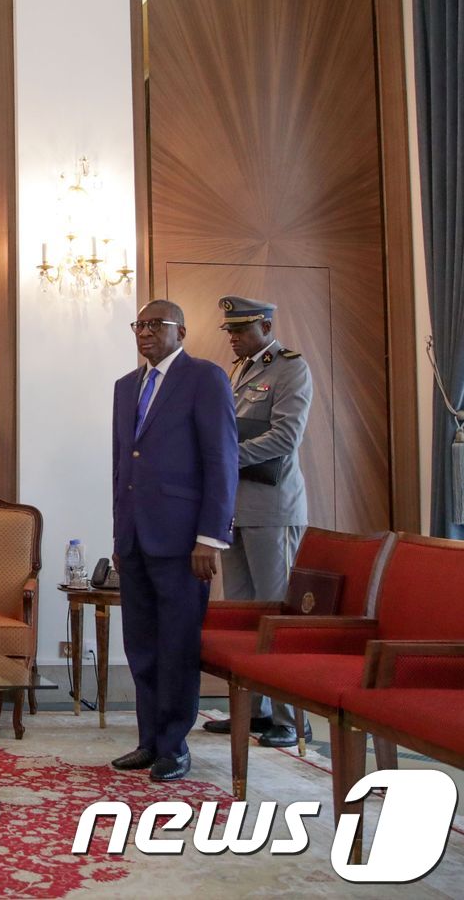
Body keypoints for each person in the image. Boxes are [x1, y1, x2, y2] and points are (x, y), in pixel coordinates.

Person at [111, 299, 237, 781]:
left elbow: (221, 460)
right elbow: (123, 464)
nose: (144, 332)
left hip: (185, 541)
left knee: (177, 643)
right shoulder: (126, 387)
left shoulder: (204, 378)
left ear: (180, 330)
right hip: (137, 538)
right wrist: (121, 535)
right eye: (138, 325)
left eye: (154, 325)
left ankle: (174, 745)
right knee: (141, 644)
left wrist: (210, 537)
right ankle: (148, 740)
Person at [202, 295, 313, 749]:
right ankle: (251, 712)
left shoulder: (290, 368)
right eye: (230, 331)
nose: (232, 338)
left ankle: (290, 718)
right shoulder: (239, 370)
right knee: (243, 617)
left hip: (272, 508)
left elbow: (286, 436)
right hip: (237, 510)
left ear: (265, 326)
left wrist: (226, 458)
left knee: (275, 615)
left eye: (241, 330)